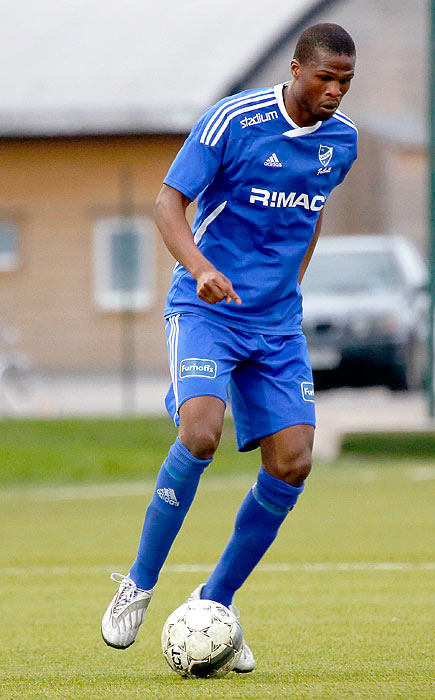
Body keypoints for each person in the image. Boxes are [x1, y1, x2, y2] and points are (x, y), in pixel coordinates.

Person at [101, 23, 358, 672]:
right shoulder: (233, 120)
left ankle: (215, 603)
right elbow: (167, 203)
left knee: (294, 461)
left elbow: (314, 209)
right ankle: (139, 580)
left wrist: (288, 290)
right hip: (206, 309)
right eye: (325, 79)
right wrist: (200, 269)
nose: (334, 93)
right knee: (201, 432)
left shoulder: (343, 143)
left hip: (275, 324)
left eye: (345, 83)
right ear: (296, 69)